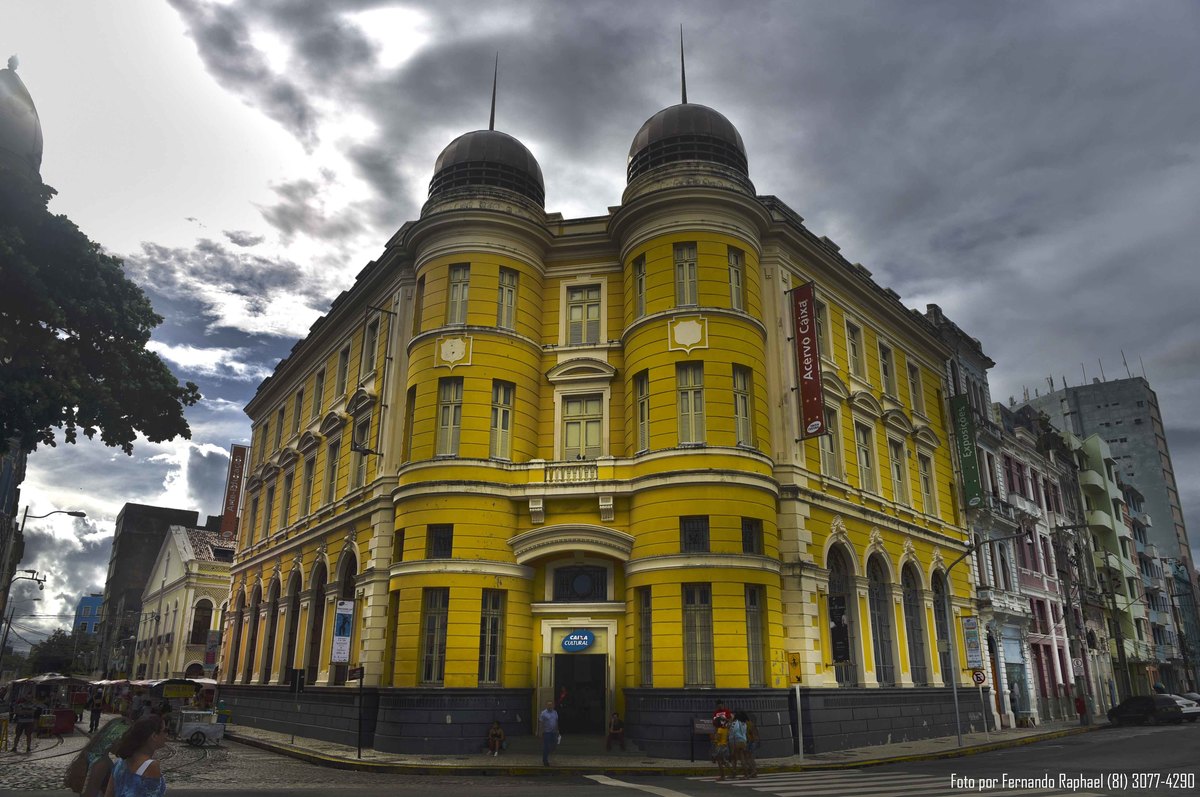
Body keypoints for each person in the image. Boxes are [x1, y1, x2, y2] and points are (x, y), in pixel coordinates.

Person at [105, 715, 169, 797]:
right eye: (165, 730)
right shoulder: (151, 766)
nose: (167, 734)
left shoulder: (119, 762)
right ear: (154, 736)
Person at [537, 699, 559, 767]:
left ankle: (548, 752)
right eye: (548, 705)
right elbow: (540, 722)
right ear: (546, 705)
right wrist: (540, 731)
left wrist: (557, 730)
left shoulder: (555, 712)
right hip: (547, 732)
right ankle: (545, 760)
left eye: (551, 705)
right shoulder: (543, 713)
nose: (550, 706)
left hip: (554, 732)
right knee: (546, 747)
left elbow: (556, 721)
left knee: (554, 744)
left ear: (553, 705)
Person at [710, 715, 731, 781]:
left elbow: (718, 739)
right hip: (725, 746)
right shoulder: (725, 729)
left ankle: (722, 776)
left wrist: (714, 738)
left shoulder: (719, 730)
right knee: (723, 761)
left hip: (720, 746)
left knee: (719, 762)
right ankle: (731, 769)